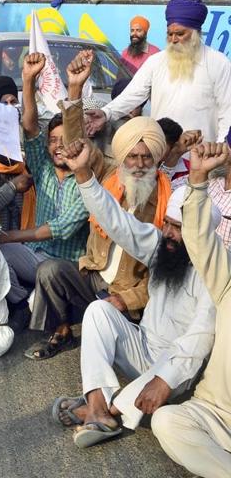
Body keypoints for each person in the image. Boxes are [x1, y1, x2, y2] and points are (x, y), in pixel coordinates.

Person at [52, 139, 216, 449]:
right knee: (98, 311)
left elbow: (199, 339)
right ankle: (99, 407)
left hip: (177, 369)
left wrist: (164, 379)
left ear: (201, 232)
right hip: (142, 347)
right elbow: (118, 223)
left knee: (172, 360)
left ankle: (104, 413)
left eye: (177, 228)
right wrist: (84, 173)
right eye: (167, 223)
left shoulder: (213, 272)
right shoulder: (162, 247)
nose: (167, 233)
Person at [28, 113, 172, 358]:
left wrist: (128, 299)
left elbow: (166, 275)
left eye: (147, 157)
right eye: (133, 156)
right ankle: (62, 332)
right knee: (49, 270)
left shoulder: (168, 204)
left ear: (157, 159)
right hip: (95, 275)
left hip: (126, 292)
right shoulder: (109, 178)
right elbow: (81, 151)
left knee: (112, 347)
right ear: (122, 157)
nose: (139, 164)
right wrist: (75, 88)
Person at [152, 142, 231, 478]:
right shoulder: (226, 280)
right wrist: (197, 177)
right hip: (215, 413)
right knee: (168, 421)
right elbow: (198, 240)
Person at [0, 52, 90, 310]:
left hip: (65, 267)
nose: (58, 147)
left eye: (65, 142)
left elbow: (62, 227)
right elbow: (29, 127)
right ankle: (17, 302)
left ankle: (33, 304)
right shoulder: (43, 169)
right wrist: (28, 79)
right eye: (52, 141)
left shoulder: (86, 181)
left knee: (38, 293)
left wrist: (9, 236)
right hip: (35, 257)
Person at [86, 0, 231, 144]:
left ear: (196, 33)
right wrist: (106, 112)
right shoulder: (156, 61)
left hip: (202, 156)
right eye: (169, 34)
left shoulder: (218, 63)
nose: (173, 39)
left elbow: (227, 111)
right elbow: (132, 94)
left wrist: (222, 148)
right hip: (163, 153)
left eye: (180, 34)